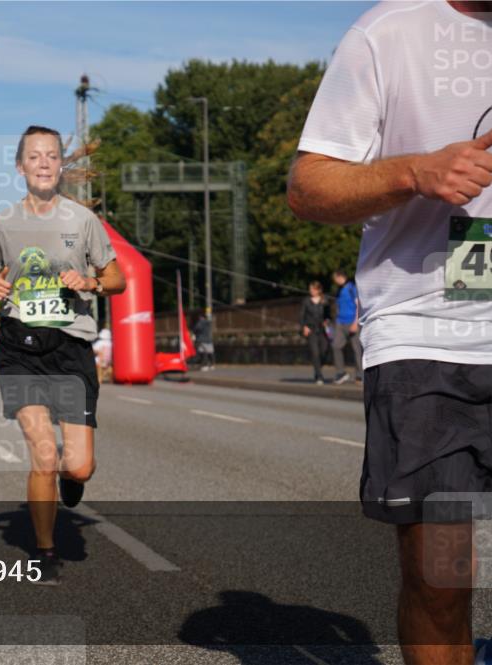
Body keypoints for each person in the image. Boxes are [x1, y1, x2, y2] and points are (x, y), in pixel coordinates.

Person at [288, 3, 492, 662]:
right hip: (431, 336)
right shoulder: (388, 33)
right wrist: (412, 171)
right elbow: (308, 185)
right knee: (441, 576)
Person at [0, 125, 126, 584]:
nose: (43, 163)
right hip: (22, 347)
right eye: (34, 156)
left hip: (72, 347)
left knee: (77, 464)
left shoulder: (82, 220)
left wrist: (92, 283)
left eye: (52, 156)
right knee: (42, 452)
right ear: (20, 166)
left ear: (61, 165)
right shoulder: (2, 224)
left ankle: (72, 482)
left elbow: (116, 278)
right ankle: (45, 550)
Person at [330, 270, 362, 384]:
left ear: (340, 276)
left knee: (357, 349)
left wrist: (355, 322)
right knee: (336, 346)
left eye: (335, 278)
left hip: (352, 321)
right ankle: (341, 372)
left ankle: (360, 374)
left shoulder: (351, 287)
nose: (334, 281)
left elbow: (359, 305)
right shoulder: (339, 290)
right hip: (340, 322)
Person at [299, 281, 330, 385]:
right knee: (315, 352)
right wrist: (304, 327)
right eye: (310, 289)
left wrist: (327, 321)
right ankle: (319, 376)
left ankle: (318, 369)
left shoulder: (324, 301)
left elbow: (329, 315)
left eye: (313, 289)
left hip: (322, 330)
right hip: (311, 330)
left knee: (324, 351)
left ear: (319, 290)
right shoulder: (306, 301)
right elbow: (301, 316)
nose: (311, 291)